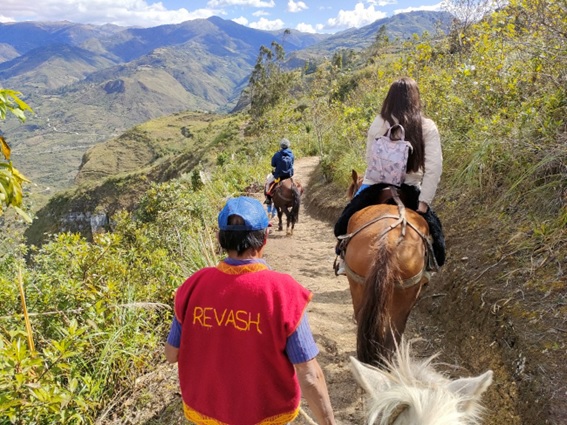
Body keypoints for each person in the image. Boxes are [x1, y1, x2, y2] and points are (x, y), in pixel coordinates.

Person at [165, 196, 336, 425]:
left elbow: (171, 355)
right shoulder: (283, 291)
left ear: (220, 238)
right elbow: (310, 376)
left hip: (206, 414)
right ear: (264, 238)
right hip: (266, 416)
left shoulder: (194, 285)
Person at [334, 77, 446, 274]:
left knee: (341, 226)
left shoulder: (379, 122)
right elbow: (434, 169)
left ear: (390, 99)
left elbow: (370, 158)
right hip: (410, 190)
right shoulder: (427, 126)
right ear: (416, 98)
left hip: (375, 185)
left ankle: (344, 260)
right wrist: (423, 203)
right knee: (438, 245)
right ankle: (428, 269)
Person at [265, 138, 295, 218]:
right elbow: (292, 163)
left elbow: (273, 164)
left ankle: (268, 199)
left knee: (268, 183)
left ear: (281, 146)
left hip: (278, 177)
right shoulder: (291, 154)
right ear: (288, 145)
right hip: (288, 176)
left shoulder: (277, 154)